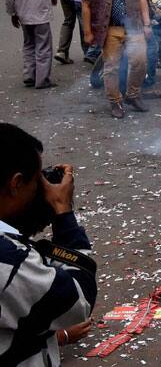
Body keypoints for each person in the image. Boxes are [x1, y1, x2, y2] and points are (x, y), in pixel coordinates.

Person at [0, 123, 96, 367]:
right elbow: (77, 301)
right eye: (37, 181)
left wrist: (58, 337)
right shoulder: (9, 260)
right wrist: (63, 213)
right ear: (16, 184)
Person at [81, 0, 151, 118]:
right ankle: (115, 101)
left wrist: (147, 23)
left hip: (133, 26)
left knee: (140, 62)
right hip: (110, 29)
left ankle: (133, 95)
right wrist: (88, 32)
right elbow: (86, 6)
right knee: (111, 67)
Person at [6, 0, 60, 89]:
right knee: (43, 46)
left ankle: (29, 75)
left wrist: (13, 14)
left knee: (28, 45)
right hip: (40, 14)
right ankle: (42, 80)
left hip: (23, 15)